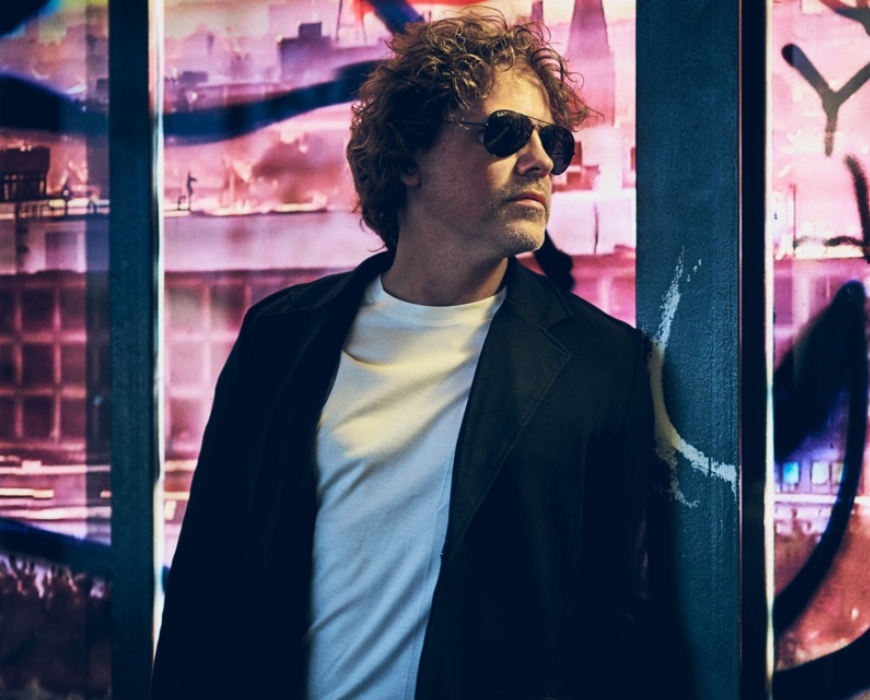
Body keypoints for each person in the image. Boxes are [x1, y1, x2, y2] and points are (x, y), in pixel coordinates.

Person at [151, 11, 655, 700]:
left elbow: (614, 638)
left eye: (554, 141)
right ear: (410, 157)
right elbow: (206, 593)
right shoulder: (280, 340)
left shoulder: (605, 369)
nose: (541, 160)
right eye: (506, 133)